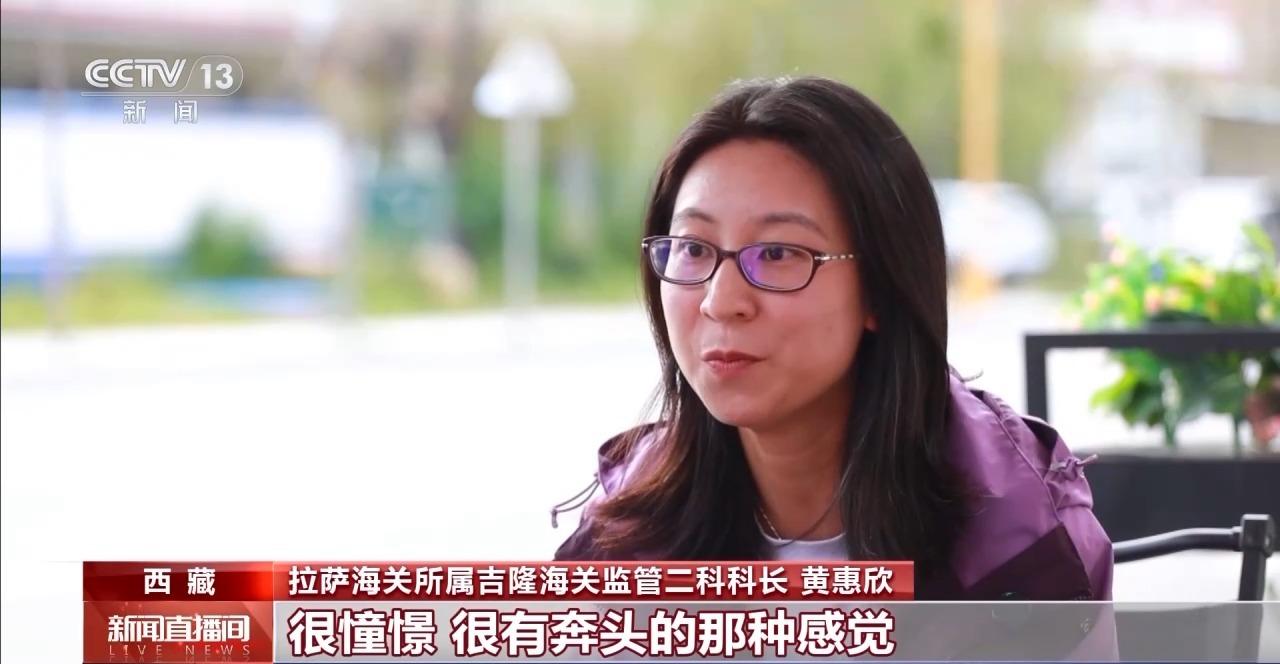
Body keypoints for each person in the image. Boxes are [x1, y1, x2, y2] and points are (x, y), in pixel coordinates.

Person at [551, 76, 1113, 604]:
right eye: (693, 248)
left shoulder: (1021, 542)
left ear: (880, 288)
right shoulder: (623, 535)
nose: (720, 301)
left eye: (777, 253)